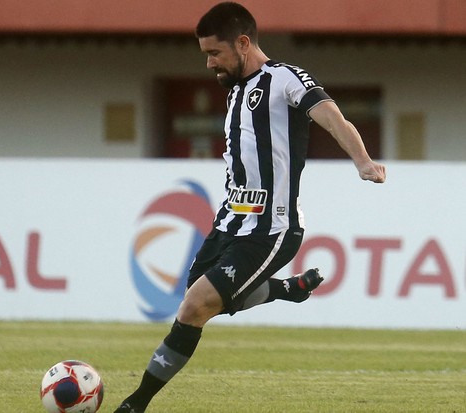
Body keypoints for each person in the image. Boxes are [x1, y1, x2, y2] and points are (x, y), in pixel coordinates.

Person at [114, 2, 386, 412]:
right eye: (205, 54)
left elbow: (331, 116)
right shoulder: (237, 90)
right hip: (229, 221)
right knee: (203, 299)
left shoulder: (284, 78)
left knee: (195, 307)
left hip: (272, 228)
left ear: (243, 43)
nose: (209, 63)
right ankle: (285, 290)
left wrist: (362, 160)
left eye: (215, 53)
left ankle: (136, 403)